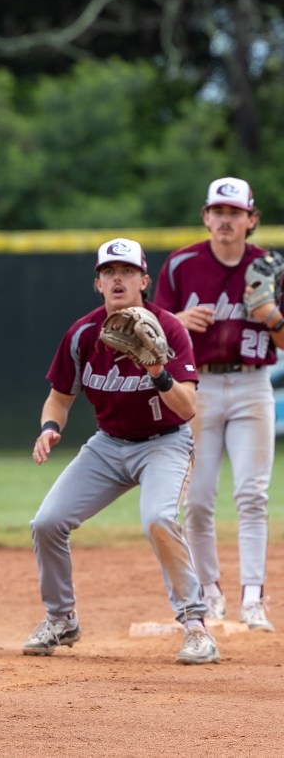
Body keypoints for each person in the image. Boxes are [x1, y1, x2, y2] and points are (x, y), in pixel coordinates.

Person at [25, 237, 219, 665]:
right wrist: (50, 428)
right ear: (97, 283)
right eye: (108, 272)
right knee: (47, 522)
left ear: (144, 280)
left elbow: (187, 408)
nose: (118, 279)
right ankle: (61, 619)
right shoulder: (83, 334)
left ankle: (195, 625)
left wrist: (158, 372)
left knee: (159, 519)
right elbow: (59, 398)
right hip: (109, 445)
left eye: (127, 271)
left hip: (165, 443)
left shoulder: (169, 329)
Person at [153, 177, 280, 632]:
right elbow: (149, 332)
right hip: (198, 387)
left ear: (251, 219)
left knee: (252, 494)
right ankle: (209, 593)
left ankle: (253, 599)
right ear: (206, 217)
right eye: (219, 212)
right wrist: (176, 321)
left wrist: (271, 316)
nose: (226, 220)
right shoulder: (181, 265)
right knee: (199, 500)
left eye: (235, 213)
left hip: (252, 385)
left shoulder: (270, 266)